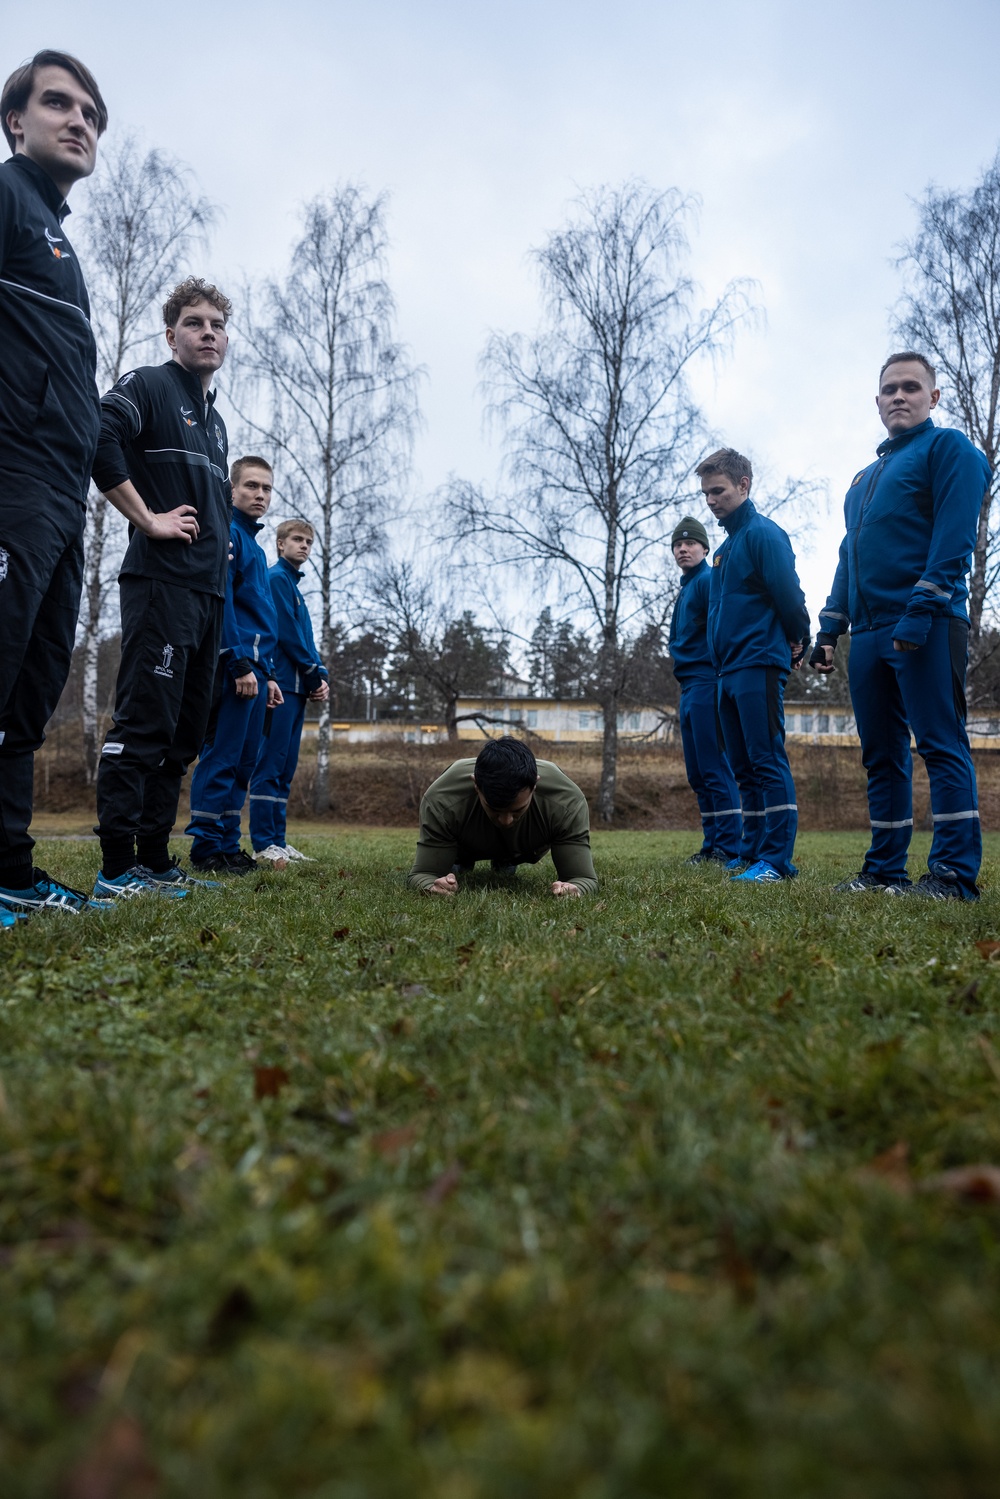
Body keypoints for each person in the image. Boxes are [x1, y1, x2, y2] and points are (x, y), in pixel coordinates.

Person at [811, 352, 991, 900]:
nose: (899, 396)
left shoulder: (951, 449)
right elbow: (850, 555)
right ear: (877, 400)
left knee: (939, 742)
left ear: (933, 397)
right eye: (889, 388)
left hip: (927, 622)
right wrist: (828, 629)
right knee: (881, 754)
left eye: (912, 387)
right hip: (867, 635)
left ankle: (954, 876)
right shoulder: (863, 480)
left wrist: (924, 605)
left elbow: (957, 536)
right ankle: (884, 870)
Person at [0, 50, 110, 921]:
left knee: (31, 688)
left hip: (60, 496)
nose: (79, 121)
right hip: (11, 476)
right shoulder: (6, 199)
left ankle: (10, 868)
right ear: (15, 121)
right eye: (58, 103)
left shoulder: (60, 241)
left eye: (92, 113)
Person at [91, 277, 234, 899]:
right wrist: (147, 519)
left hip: (208, 596)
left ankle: (154, 861)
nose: (209, 332)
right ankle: (117, 870)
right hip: (160, 586)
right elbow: (98, 436)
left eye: (218, 325)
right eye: (195, 322)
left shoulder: (217, 422)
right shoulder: (148, 385)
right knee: (143, 726)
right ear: (171, 333)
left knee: (182, 736)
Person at [699, 448, 810, 883]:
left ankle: (777, 861)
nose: (711, 500)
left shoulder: (765, 535)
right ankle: (751, 851)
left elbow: (789, 596)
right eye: (706, 493)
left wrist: (798, 638)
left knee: (766, 760)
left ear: (743, 485)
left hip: (758, 663)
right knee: (742, 767)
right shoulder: (723, 551)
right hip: (726, 672)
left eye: (719, 491)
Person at [185, 457, 283, 872]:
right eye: (251, 486)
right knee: (222, 758)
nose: (259, 495)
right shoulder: (228, 535)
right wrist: (239, 662)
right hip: (235, 668)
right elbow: (221, 603)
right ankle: (206, 847)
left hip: (259, 672)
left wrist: (270, 673)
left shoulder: (256, 547)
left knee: (245, 763)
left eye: (266, 489)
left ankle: (227, 844)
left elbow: (260, 616)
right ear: (232, 490)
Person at [407, 736, 597, 896]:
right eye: (495, 810)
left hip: (524, 846)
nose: (506, 821)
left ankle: (506, 860)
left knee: (506, 864)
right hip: (464, 842)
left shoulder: (566, 801)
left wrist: (575, 889)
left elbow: (583, 878)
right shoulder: (442, 798)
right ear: (476, 785)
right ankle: (461, 861)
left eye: (516, 810)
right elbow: (423, 874)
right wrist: (433, 885)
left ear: (535, 785)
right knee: (457, 865)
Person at [248, 517, 328, 866]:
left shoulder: (293, 585)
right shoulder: (277, 578)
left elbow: (307, 639)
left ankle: (278, 841)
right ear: (280, 544)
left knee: (285, 768)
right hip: (280, 686)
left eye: (308, 542)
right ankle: (263, 843)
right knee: (270, 764)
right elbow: (289, 637)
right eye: (297, 539)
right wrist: (314, 675)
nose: (303, 546)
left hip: (297, 690)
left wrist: (319, 672)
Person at [667, 515, 742, 866]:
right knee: (698, 773)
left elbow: (729, 620)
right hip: (688, 687)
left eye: (690, 543)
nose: (683, 549)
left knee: (714, 768)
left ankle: (728, 847)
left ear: (704, 547)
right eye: (677, 545)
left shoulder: (709, 580)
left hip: (707, 683)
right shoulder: (687, 588)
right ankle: (711, 845)